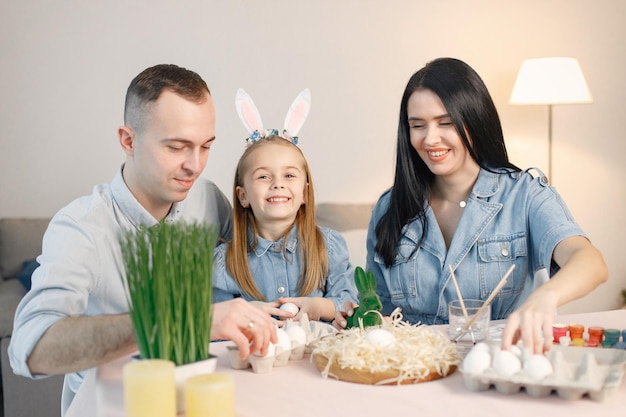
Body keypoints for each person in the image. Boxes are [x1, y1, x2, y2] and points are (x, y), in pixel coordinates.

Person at [9, 64, 276, 415]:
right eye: (177, 147)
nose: (195, 165)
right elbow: (30, 349)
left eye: (205, 146)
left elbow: (258, 260)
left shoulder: (207, 199)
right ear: (128, 140)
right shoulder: (80, 227)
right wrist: (188, 320)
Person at [345, 57, 607, 354]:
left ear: (474, 119)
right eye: (418, 126)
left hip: (499, 367)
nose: (431, 139)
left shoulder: (524, 194)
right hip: (411, 373)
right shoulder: (388, 208)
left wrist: (544, 298)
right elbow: (379, 311)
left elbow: (590, 261)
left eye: (446, 123)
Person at [212, 133, 358, 323]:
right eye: (263, 176)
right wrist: (246, 318)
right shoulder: (224, 263)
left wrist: (318, 307)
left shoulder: (329, 246)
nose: (278, 184)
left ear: (305, 192)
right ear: (243, 196)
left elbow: (349, 303)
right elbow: (216, 327)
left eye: (289, 175)